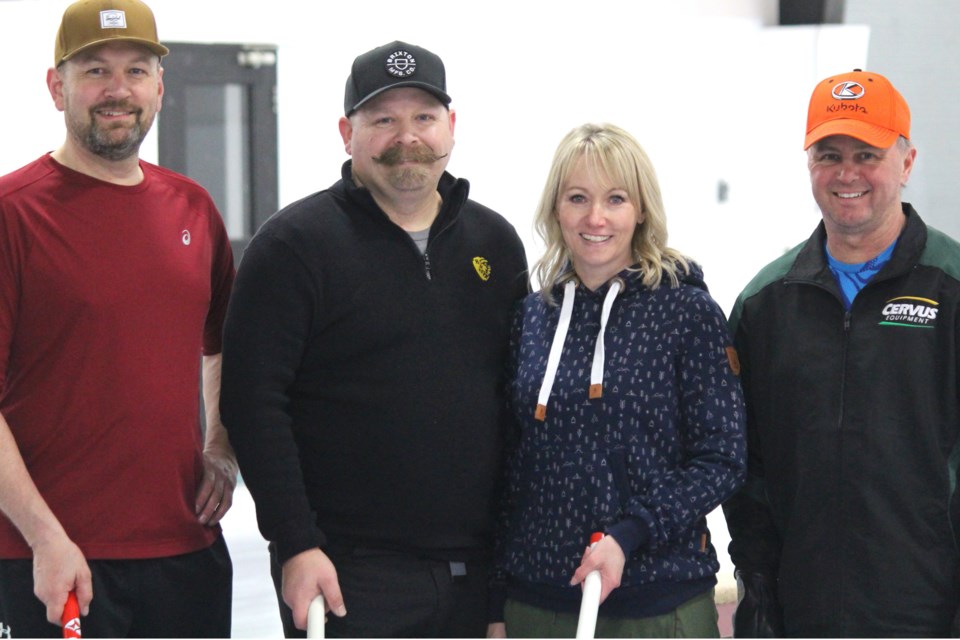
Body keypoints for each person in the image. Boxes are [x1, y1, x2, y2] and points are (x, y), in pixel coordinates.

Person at [219, 40, 529, 638]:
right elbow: (254, 407)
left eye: (423, 117)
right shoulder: (292, 249)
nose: (406, 136)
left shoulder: (496, 242)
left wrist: (505, 576)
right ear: (347, 132)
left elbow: (513, 408)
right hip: (347, 577)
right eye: (383, 119)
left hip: (477, 572)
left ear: (452, 126)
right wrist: (296, 543)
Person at [0, 0, 238, 637]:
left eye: (136, 71)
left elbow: (224, 344)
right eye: (95, 71)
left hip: (184, 555)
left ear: (159, 86)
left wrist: (220, 445)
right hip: (45, 562)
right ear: (57, 87)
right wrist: (45, 539)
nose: (118, 90)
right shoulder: (13, 214)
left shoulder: (193, 209)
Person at [722, 69, 960, 637]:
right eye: (829, 154)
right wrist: (757, 584)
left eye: (867, 154)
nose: (847, 173)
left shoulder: (950, 290)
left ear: (907, 162)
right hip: (802, 611)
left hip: (926, 612)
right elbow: (742, 465)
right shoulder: (765, 304)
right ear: (809, 166)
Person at [491, 123, 746, 638]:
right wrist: (498, 600)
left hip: (656, 602)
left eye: (615, 199)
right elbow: (511, 467)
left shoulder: (686, 312)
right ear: (555, 208)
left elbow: (722, 458)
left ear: (641, 210)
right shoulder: (532, 318)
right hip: (538, 602)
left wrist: (629, 534)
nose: (595, 218)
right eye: (577, 198)